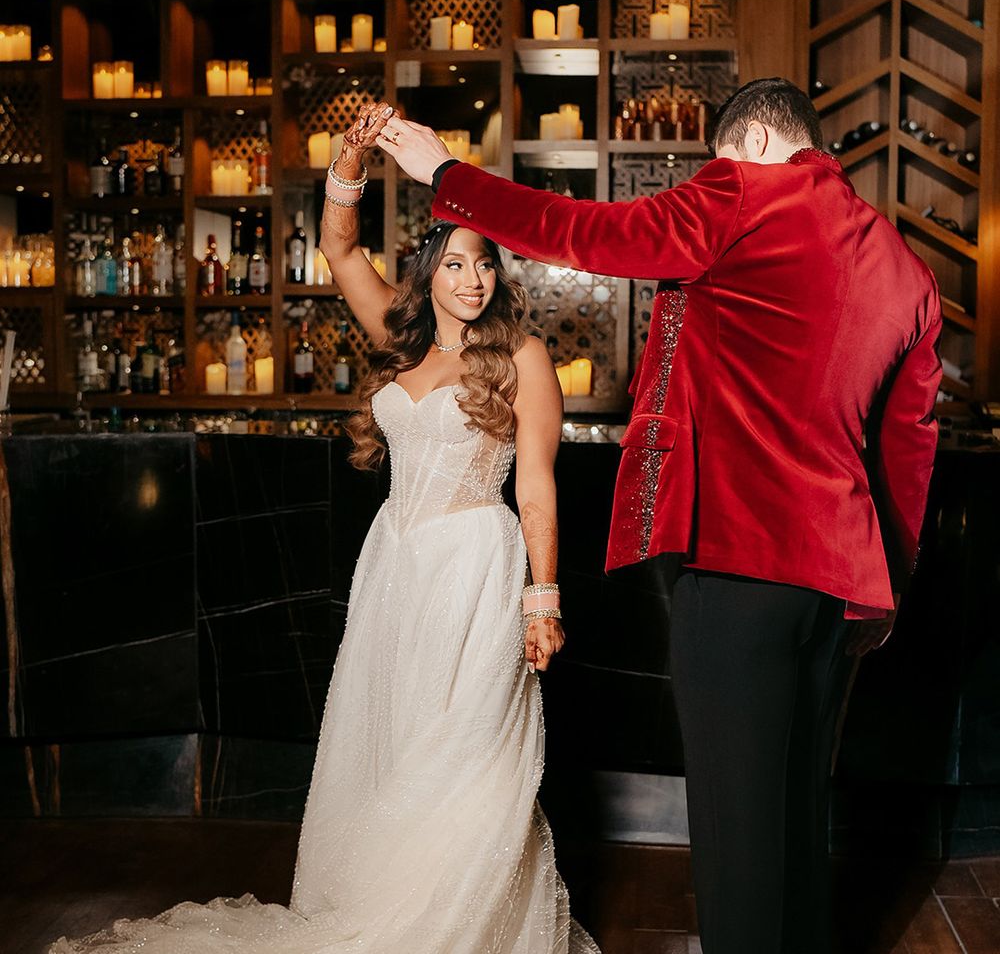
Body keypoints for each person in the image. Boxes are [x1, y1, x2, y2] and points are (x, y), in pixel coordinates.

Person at [376, 78, 943, 954]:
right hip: (839, 587)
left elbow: (590, 234)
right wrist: (886, 591)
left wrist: (448, 175)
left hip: (739, 563)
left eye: (718, 160)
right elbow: (908, 444)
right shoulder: (905, 267)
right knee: (796, 820)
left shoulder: (741, 193)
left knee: (736, 834)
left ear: (753, 142)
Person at [49, 103, 600, 954]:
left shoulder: (521, 356)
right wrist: (349, 163)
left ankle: (460, 930)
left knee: (469, 752)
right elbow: (340, 250)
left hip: (474, 567)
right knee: (390, 742)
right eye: (456, 264)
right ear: (428, 272)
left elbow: (535, 486)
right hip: (394, 567)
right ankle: (381, 907)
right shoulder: (401, 338)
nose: (472, 281)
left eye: (485, 264)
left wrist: (543, 598)